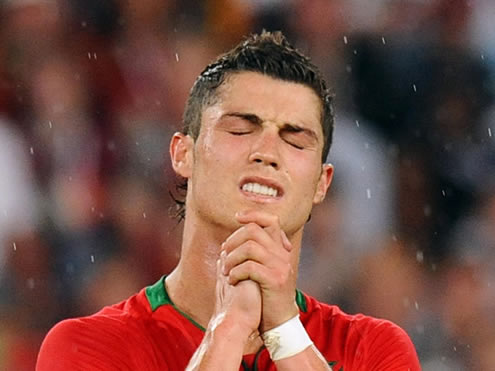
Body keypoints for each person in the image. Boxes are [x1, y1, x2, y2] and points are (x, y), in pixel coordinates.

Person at [37, 31, 420, 370]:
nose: (267, 152)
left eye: (295, 139)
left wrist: (285, 331)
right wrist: (228, 330)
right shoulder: (88, 347)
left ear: (322, 183)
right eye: (240, 128)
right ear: (182, 154)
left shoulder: (373, 350)